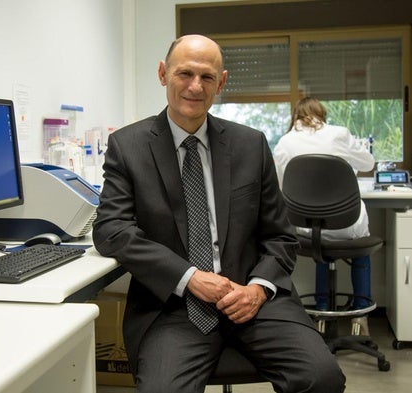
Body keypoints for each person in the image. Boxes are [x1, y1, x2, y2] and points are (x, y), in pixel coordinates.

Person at [93, 35, 345, 393]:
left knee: (322, 378)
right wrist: (190, 277)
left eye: (207, 77)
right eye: (185, 73)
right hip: (175, 306)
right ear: (163, 74)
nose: (195, 86)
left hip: (252, 299)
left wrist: (257, 289)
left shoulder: (251, 144)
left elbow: (281, 236)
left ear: (222, 82)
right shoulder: (129, 146)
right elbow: (111, 230)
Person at [273, 96, 375, 335]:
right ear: (322, 114)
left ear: (296, 116)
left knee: (322, 246)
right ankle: (360, 316)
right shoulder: (339, 134)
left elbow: (280, 186)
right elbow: (369, 162)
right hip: (346, 224)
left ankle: (320, 312)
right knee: (358, 248)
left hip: (306, 228)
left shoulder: (285, 142)